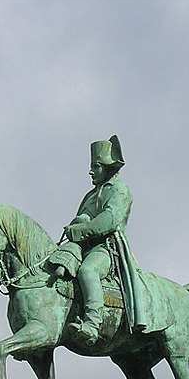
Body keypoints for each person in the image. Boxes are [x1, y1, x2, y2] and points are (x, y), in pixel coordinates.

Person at [54, 135, 144, 344]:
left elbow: (109, 220)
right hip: (82, 247)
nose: (91, 171)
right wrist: (79, 221)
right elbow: (84, 217)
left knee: (88, 270)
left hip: (108, 248)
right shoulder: (90, 195)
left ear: (107, 167)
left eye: (96, 166)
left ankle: (92, 324)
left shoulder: (120, 190)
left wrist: (80, 228)